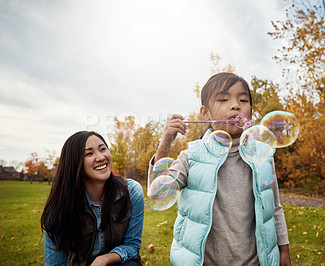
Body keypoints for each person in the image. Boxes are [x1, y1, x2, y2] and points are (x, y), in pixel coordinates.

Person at [148, 72, 292, 266]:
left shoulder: (262, 156)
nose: (235, 105)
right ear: (206, 113)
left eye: (243, 99)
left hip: (254, 261)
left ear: (250, 111)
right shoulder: (192, 156)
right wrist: (165, 142)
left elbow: (274, 207)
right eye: (223, 99)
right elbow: (160, 194)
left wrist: (284, 251)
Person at [41, 131, 144, 266]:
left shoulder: (131, 191)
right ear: (74, 163)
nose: (100, 157)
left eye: (103, 149)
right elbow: (55, 263)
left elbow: (132, 245)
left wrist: (105, 259)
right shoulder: (60, 206)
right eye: (89, 153)